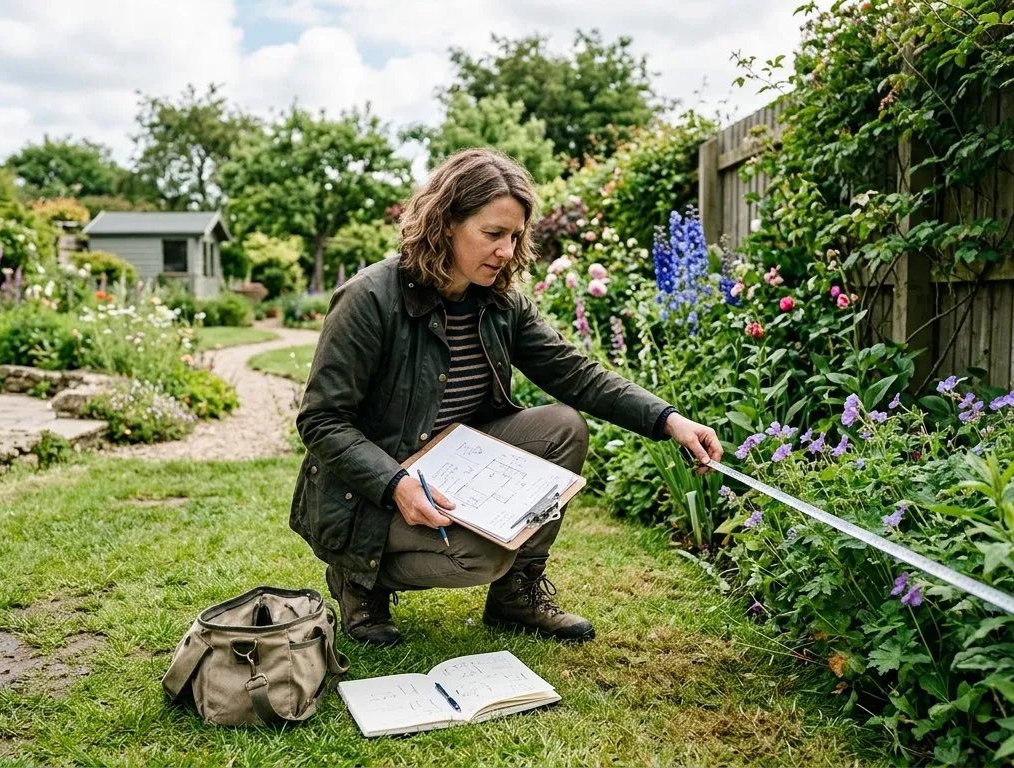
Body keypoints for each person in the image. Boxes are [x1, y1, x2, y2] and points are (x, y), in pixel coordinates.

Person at [291, 148, 723, 647]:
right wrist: (396, 484)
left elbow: (575, 374)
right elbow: (322, 420)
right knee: (482, 554)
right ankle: (357, 579)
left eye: (514, 236)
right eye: (492, 234)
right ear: (444, 223)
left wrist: (668, 420)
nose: (505, 249)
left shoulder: (499, 300)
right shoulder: (369, 297)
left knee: (564, 426)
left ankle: (515, 596)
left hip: (453, 466)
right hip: (369, 489)